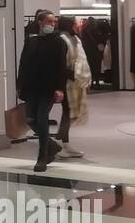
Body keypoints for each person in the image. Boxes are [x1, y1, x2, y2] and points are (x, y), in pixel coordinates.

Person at [17, 9, 68, 172]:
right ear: (40, 22)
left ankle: (42, 156)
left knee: (41, 117)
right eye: (49, 22)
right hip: (32, 86)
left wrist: (60, 88)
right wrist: (20, 85)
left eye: (54, 22)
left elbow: (62, 66)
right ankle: (52, 146)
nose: (52, 25)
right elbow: (23, 64)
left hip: (49, 87)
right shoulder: (31, 41)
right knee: (30, 119)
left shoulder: (59, 42)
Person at [56, 16, 90, 159]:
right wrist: (73, 75)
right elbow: (59, 64)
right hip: (65, 82)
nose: (78, 26)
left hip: (73, 81)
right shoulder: (62, 40)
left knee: (70, 112)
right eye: (76, 23)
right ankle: (59, 143)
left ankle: (65, 142)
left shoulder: (74, 39)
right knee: (67, 113)